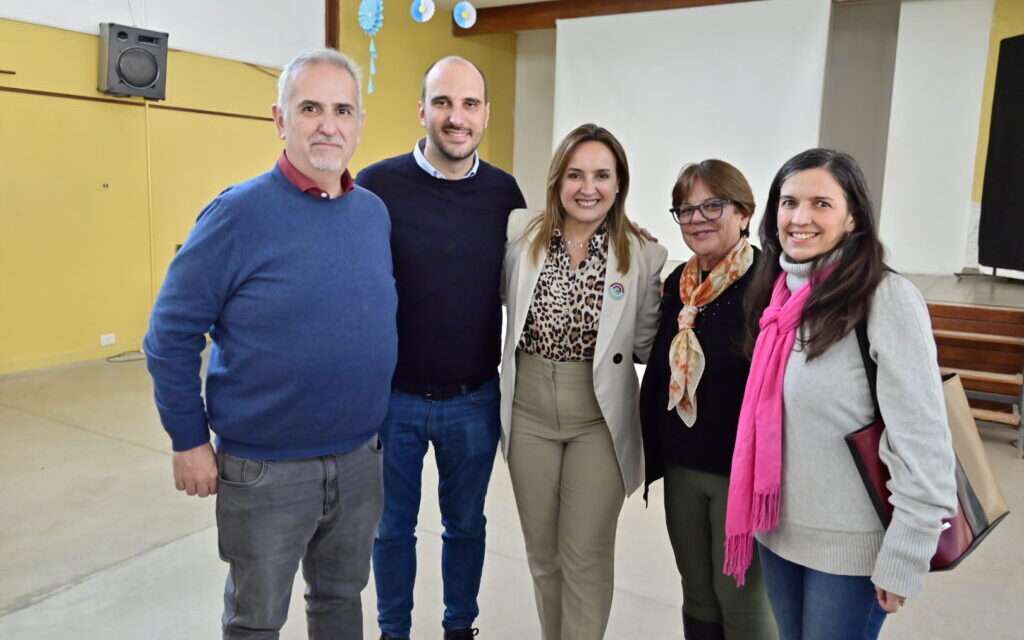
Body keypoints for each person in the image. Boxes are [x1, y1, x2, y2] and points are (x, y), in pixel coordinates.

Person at [143, 49, 396, 640]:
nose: (327, 124)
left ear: (358, 123)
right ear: (280, 119)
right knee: (255, 619)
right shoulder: (237, 215)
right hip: (265, 470)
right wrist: (188, 439)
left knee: (340, 600)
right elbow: (169, 336)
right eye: (310, 108)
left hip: (360, 459)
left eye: (342, 110)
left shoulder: (373, 214)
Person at [723, 148, 957, 640]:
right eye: (788, 203)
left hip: (851, 550)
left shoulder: (884, 298)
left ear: (853, 217)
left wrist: (905, 557)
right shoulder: (779, 294)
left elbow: (924, 440)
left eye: (821, 204)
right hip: (778, 536)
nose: (800, 218)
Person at [355, 56, 526, 640]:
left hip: (472, 400)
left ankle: (460, 628)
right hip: (393, 399)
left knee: (466, 527)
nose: (457, 117)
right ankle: (392, 631)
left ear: (485, 114)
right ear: (422, 110)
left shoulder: (506, 193)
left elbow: (551, 257)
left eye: (470, 104)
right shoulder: (377, 186)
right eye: (444, 103)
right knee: (391, 529)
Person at [501, 123, 667, 639]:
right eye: (575, 174)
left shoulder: (642, 255)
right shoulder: (520, 235)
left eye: (601, 175)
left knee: (585, 556)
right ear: (557, 181)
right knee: (543, 556)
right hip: (528, 411)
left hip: (597, 417)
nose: (587, 187)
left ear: (619, 185)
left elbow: (643, 345)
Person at [638, 160, 776, 640]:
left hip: (741, 472)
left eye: (712, 205)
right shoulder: (680, 288)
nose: (697, 218)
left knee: (742, 601)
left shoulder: (771, 282)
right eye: (686, 209)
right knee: (697, 593)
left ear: (743, 212)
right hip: (681, 465)